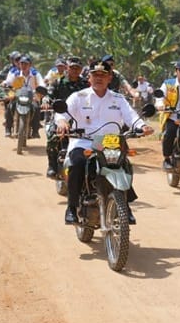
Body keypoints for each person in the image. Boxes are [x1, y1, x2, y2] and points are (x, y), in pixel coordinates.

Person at [55, 61, 154, 225]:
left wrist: (142, 126)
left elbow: (131, 116)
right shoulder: (78, 97)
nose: (99, 78)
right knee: (77, 164)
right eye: (95, 75)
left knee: (124, 164)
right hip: (84, 142)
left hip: (110, 143)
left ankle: (124, 205)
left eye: (103, 75)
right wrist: (62, 122)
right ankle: (71, 207)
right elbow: (62, 114)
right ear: (89, 77)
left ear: (110, 78)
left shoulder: (118, 99)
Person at [44, 56, 90, 178]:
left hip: (81, 117)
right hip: (61, 116)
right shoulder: (58, 82)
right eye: (72, 68)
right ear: (67, 68)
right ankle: (52, 165)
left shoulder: (86, 84)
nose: (75, 70)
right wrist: (46, 101)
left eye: (77, 68)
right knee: (52, 135)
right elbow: (48, 95)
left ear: (81, 69)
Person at [2, 55, 46, 138]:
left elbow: (42, 83)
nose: (23, 66)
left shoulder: (35, 74)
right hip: (18, 96)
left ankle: (35, 131)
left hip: (32, 96)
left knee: (36, 108)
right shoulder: (16, 74)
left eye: (26, 64)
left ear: (30, 65)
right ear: (19, 65)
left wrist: (41, 88)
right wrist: (4, 83)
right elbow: (8, 81)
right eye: (22, 64)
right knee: (10, 107)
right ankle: (8, 129)